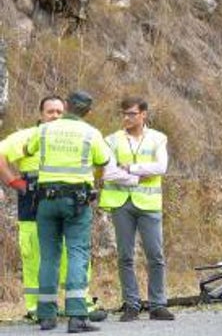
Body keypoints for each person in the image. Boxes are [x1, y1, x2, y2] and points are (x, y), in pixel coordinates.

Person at [0, 96, 106, 322]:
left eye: (59, 111)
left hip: (54, 199)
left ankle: (77, 304)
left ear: (65, 110)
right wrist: (14, 182)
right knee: (36, 255)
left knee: (70, 254)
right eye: (50, 112)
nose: (55, 116)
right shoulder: (29, 135)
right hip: (34, 200)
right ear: (41, 114)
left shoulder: (71, 133)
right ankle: (37, 308)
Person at [99, 97, 173, 322]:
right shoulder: (111, 140)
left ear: (143, 115)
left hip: (149, 204)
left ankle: (157, 304)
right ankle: (131, 303)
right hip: (122, 203)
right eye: (124, 113)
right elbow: (108, 173)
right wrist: (137, 178)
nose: (126, 118)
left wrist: (131, 168)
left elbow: (161, 167)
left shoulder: (158, 138)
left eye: (131, 114)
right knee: (125, 255)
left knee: (155, 255)